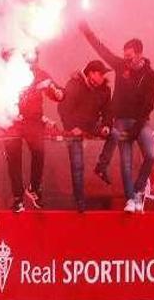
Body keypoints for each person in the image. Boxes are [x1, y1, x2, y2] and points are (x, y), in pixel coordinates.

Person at [79, 21, 154, 213]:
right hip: (121, 119)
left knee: (151, 155)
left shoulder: (150, 75)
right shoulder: (121, 65)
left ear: (139, 53)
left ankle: (138, 190)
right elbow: (102, 50)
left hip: (140, 121)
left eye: (130, 56)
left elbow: (148, 105)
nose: (126, 60)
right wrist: (87, 31)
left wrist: (135, 131)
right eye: (125, 56)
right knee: (126, 162)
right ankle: (130, 199)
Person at [4, 50, 64, 212]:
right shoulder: (8, 72)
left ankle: (34, 188)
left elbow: (57, 92)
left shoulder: (40, 74)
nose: (32, 63)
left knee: (39, 152)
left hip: (33, 121)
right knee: (14, 160)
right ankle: (17, 199)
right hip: (12, 122)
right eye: (29, 59)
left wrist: (58, 93)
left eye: (34, 59)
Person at [57, 60, 113, 213]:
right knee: (77, 164)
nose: (103, 77)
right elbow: (63, 108)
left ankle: (101, 167)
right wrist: (71, 128)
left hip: (92, 125)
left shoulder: (104, 90)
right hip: (74, 128)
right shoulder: (75, 84)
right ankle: (80, 201)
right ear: (91, 73)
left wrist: (107, 125)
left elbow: (108, 111)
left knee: (115, 134)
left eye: (103, 74)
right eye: (100, 74)